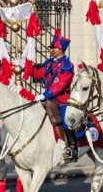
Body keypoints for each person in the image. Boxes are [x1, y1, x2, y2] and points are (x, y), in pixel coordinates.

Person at [29, 29, 77, 162]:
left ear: (60, 49)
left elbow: (60, 85)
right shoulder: (50, 63)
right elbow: (39, 74)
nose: (50, 50)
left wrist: (44, 94)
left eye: (53, 47)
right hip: (50, 99)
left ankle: (72, 148)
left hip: (62, 99)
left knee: (65, 120)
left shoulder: (67, 66)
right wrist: (27, 67)